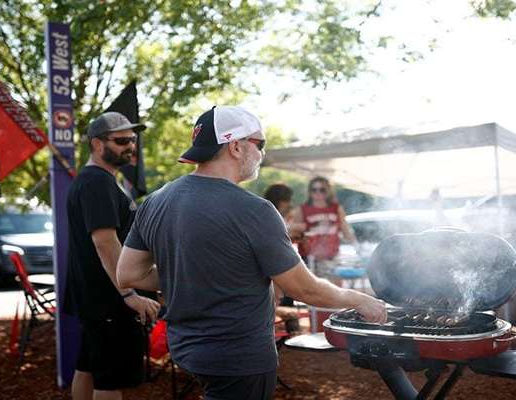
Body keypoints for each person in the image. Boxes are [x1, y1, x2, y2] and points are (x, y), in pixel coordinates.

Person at [116, 105, 386, 400]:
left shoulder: (155, 201)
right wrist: (358, 299)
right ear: (235, 146)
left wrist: (186, 273)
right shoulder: (254, 209)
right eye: (260, 144)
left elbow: (129, 274)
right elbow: (305, 290)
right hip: (238, 357)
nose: (261, 154)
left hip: (186, 349)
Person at [65, 111, 161, 400]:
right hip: (109, 300)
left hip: (97, 298)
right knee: (110, 380)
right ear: (97, 144)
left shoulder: (97, 180)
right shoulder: (97, 183)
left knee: (89, 367)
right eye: (121, 140)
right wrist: (129, 294)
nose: (130, 146)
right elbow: (105, 242)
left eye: (132, 139)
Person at [293, 176, 359, 276]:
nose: (318, 193)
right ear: (309, 192)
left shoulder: (336, 208)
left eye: (322, 190)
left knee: (335, 289)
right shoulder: (302, 209)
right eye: (314, 190)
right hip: (310, 258)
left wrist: (356, 246)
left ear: (328, 191)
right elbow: (295, 234)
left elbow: (345, 230)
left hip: (332, 257)